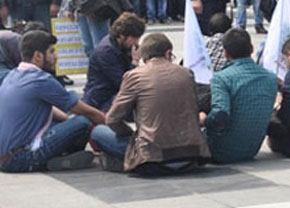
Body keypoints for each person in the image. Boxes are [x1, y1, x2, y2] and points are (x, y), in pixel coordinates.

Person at [90, 33, 211, 174]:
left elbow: (112, 119)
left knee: (98, 131)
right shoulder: (187, 73)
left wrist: (129, 134)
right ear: (168, 53)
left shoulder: (134, 76)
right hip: (191, 155)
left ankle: (123, 159)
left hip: (153, 158)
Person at [0, 31, 105, 173]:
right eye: (51, 52)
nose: (55, 57)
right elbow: (83, 110)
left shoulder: (13, 75)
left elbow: (58, 114)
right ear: (38, 56)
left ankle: (60, 158)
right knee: (83, 122)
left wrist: (66, 122)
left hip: (5, 158)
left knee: (64, 123)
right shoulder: (41, 80)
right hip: (21, 158)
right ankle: (64, 156)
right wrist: (110, 123)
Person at [199, 28, 277, 163]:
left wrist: (203, 120)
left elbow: (220, 115)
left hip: (219, 150)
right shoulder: (271, 78)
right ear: (252, 49)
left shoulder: (222, 78)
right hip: (251, 150)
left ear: (225, 52)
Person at [82, 13, 146, 111]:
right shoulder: (107, 52)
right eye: (134, 38)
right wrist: (135, 62)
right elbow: (124, 82)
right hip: (101, 100)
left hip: (111, 95)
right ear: (122, 36)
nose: (136, 42)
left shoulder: (121, 47)